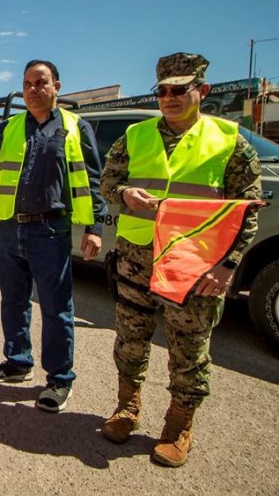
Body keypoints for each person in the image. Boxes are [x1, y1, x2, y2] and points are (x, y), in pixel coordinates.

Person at [99, 53, 261, 466]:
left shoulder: (230, 141)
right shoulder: (134, 136)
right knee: (130, 340)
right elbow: (109, 180)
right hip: (136, 258)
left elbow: (247, 209)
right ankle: (127, 407)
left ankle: (178, 424)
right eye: (163, 91)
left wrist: (228, 267)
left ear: (202, 91)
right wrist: (123, 196)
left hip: (193, 265)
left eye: (179, 90)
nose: (169, 98)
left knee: (189, 350)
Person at [0, 61, 106, 412]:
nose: (33, 89)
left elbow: (93, 180)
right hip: (11, 227)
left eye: (40, 83)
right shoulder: (8, 127)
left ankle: (59, 379)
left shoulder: (74, 126)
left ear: (56, 86)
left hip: (50, 230)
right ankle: (18, 362)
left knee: (56, 309)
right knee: (13, 301)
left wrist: (95, 229)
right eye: (27, 84)